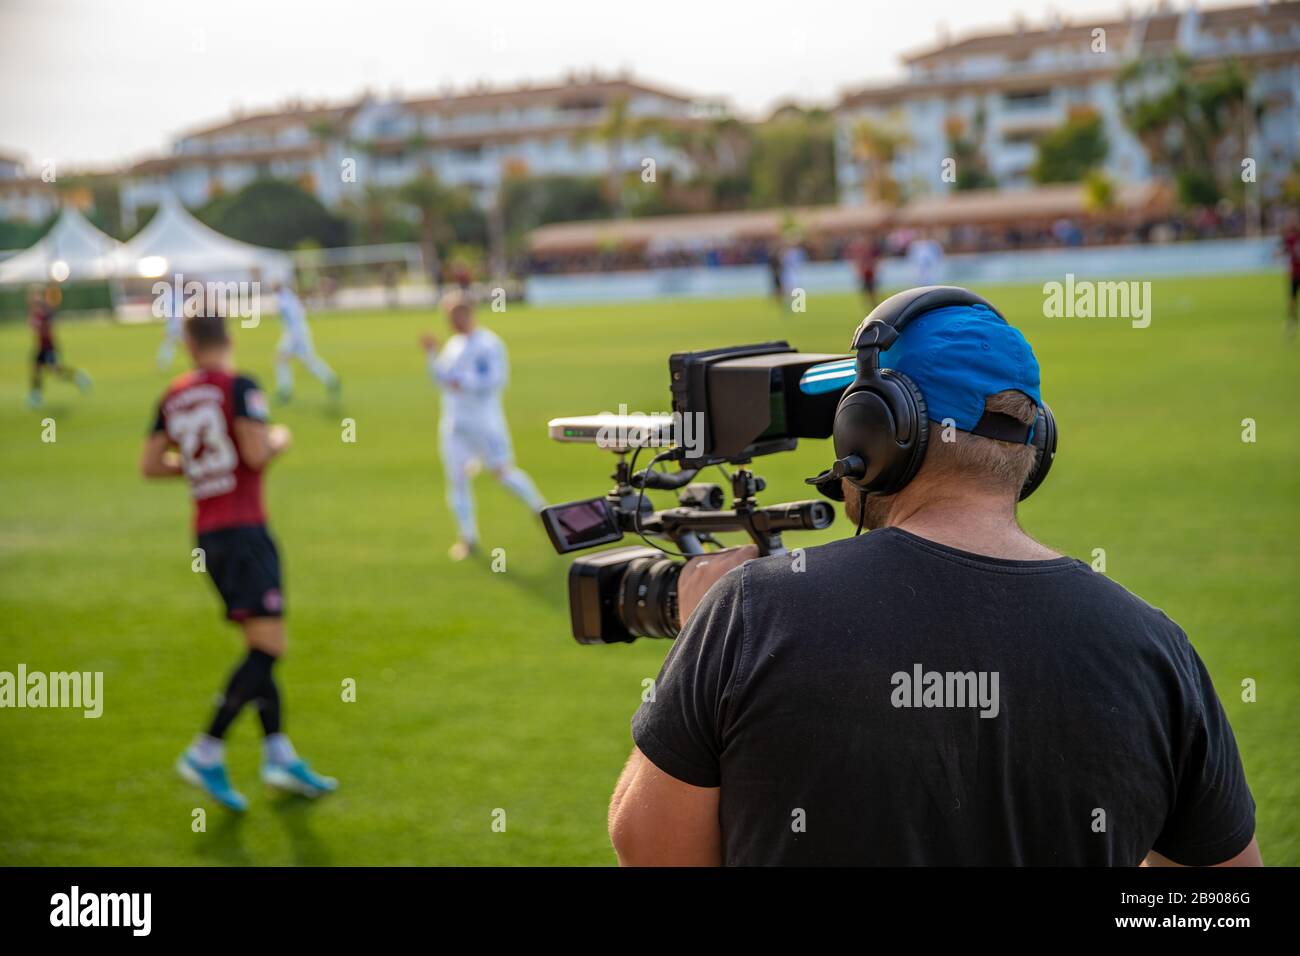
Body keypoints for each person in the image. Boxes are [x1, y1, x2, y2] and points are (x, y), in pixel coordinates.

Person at [609, 290, 1260, 867]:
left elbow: (650, 848)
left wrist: (697, 636)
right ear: (1037, 447)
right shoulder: (1156, 648)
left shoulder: (750, 613)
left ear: (879, 427)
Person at [140, 311, 336, 812]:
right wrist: (280, 438)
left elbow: (150, 466)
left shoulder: (173, 394)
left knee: (260, 643)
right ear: (226, 337)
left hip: (208, 534)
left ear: (188, 343)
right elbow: (254, 454)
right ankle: (206, 750)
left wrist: (200, 465)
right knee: (268, 649)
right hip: (244, 531)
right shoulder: (239, 384)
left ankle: (278, 755)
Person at [421, 290, 546, 561]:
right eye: (448, 315)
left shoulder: (489, 344)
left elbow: (497, 380)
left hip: (485, 422)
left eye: (455, 314)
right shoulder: (453, 345)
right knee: (456, 479)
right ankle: (467, 537)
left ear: (468, 313)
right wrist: (430, 355)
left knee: (502, 473)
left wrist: (464, 383)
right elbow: (440, 378)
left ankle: (541, 510)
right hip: (455, 423)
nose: (451, 320)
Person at [26, 283, 91, 409]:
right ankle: (36, 396)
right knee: (35, 370)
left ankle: (78, 377)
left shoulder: (44, 314)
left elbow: (46, 329)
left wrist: (38, 327)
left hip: (48, 347)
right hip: (41, 348)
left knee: (57, 373)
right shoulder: (36, 313)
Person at [274, 282, 340, 402]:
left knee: (281, 360)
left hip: (295, 335)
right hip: (298, 333)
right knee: (305, 361)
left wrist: (294, 337)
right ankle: (330, 379)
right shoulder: (287, 296)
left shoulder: (285, 299)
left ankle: (285, 391)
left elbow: (293, 318)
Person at [847, 233, 880, 309]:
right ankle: (873, 307)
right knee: (868, 294)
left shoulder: (868, 253)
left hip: (869, 275)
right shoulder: (862, 253)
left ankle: (875, 307)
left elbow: (874, 262)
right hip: (865, 276)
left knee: (871, 294)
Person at [1281, 212, 1299, 339]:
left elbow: (1285, 250)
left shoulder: (1291, 239)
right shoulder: (1291, 239)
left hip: (1295, 274)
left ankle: (1291, 320)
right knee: (1292, 298)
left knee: (1293, 298)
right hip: (1295, 274)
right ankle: (1292, 319)